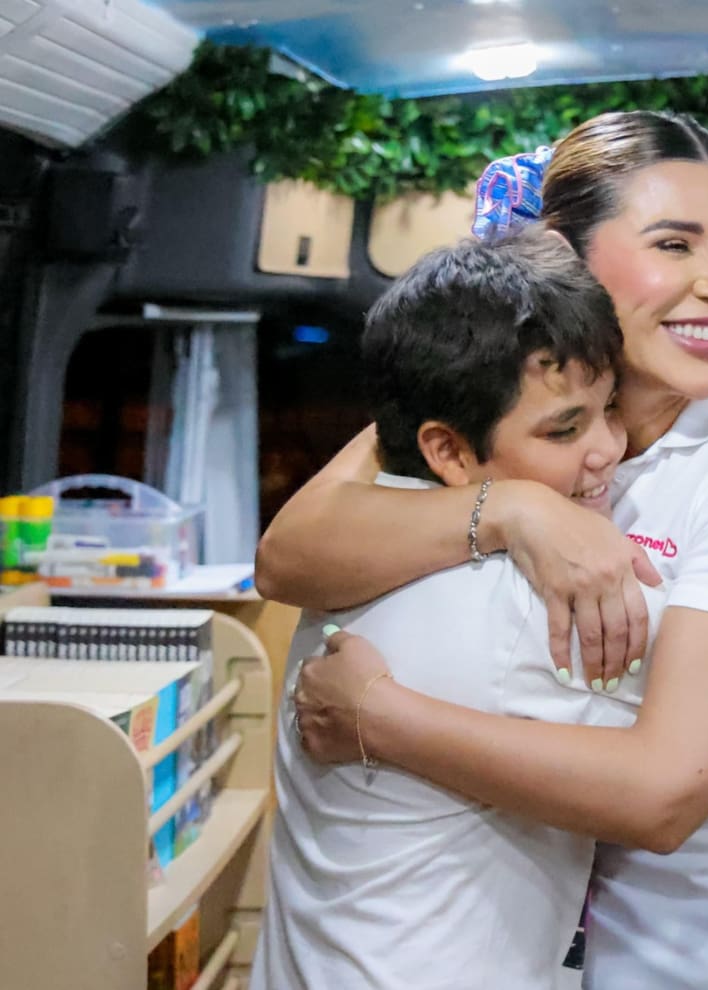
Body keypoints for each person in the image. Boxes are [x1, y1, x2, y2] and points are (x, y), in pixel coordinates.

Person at [275, 110, 708, 989]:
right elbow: (292, 552)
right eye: (674, 245)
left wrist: (381, 719)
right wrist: (518, 510)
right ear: (563, 252)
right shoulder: (510, 389)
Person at [250, 229, 655, 989]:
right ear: (447, 450)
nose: (606, 449)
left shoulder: (362, 546)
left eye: (610, 411)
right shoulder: (535, 603)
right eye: (565, 428)